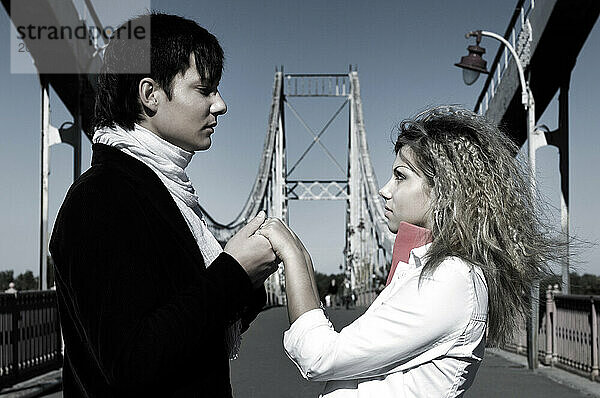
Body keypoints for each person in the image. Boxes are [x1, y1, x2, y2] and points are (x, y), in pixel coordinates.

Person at [258, 106, 564, 397]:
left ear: (445, 189)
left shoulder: (450, 280)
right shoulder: (435, 271)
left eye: (400, 176)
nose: (384, 189)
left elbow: (319, 356)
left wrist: (295, 256)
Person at [49, 13, 278, 397]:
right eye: (204, 89)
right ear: (150, 94)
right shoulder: (100, 199)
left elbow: (186, 328)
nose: (220, 104)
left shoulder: (162, 191)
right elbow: (132, 362)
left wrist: (247, 283)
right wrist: (233, 272)